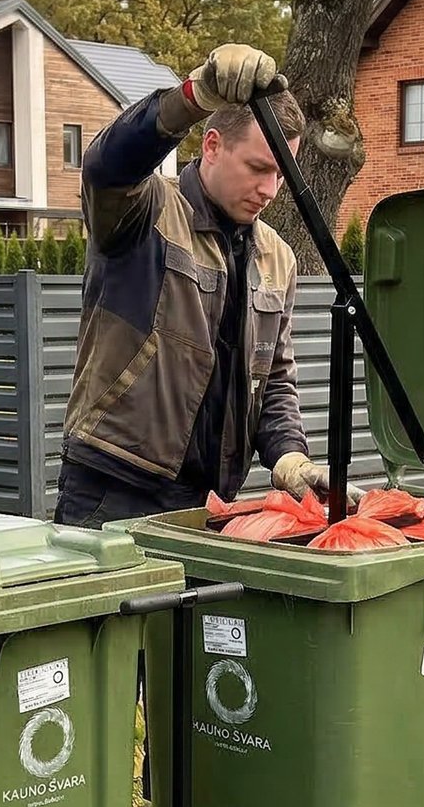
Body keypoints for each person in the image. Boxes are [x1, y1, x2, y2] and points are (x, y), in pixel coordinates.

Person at [55, 42, 337, 527]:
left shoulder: (277, 258)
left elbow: (272, 383)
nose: (270, 190)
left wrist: (289, 454)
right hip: (114, 489)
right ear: (211, 145)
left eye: (281, 174)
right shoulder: (144, 214)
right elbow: (107, 165)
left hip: (207, 507)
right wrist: (192, 95)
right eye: (258, 168)